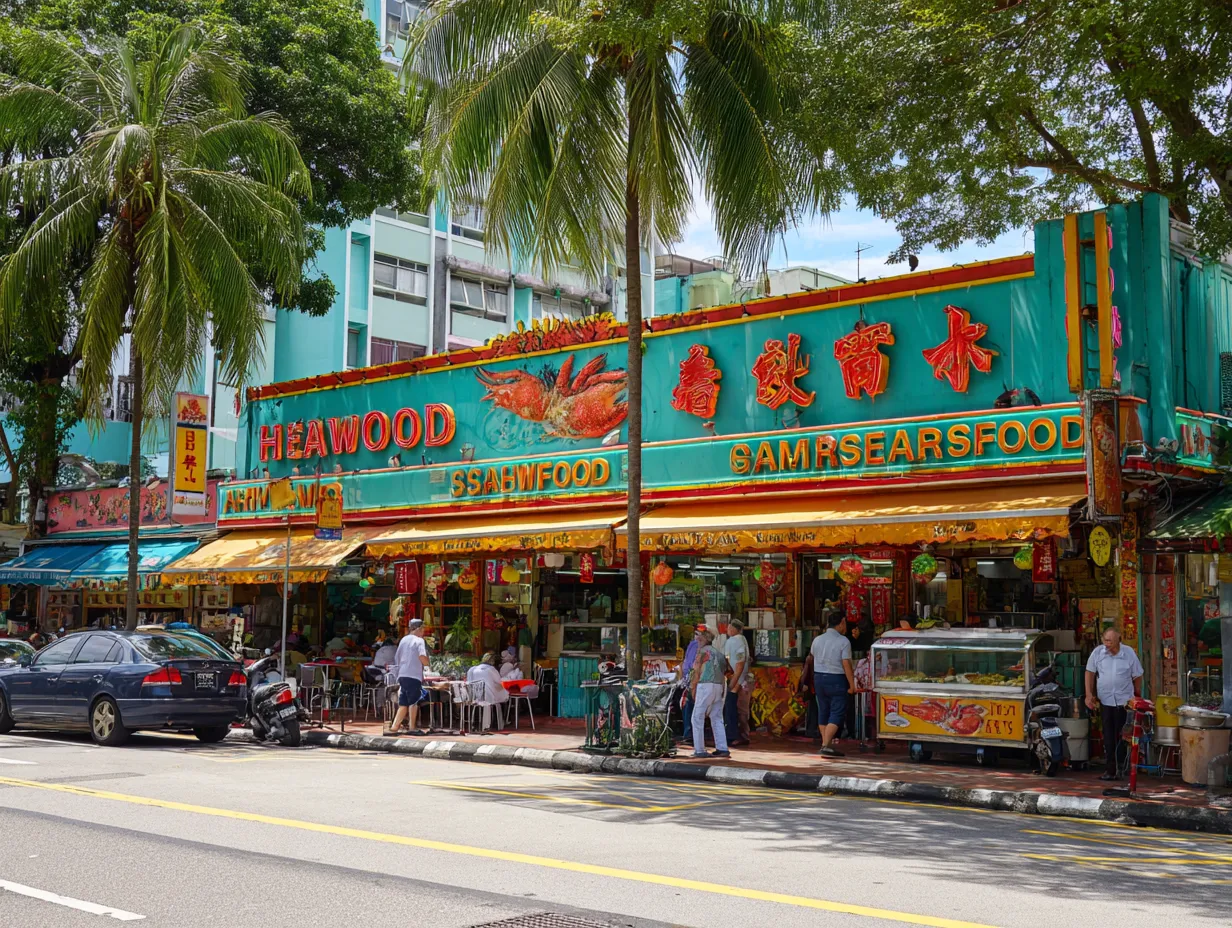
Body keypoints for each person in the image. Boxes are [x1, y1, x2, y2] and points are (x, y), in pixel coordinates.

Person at [1084, 628, 1144, 781]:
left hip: (1124, 702)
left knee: (1123, 736)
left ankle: (1122, 767)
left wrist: (1136, 694)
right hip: (1106, 701)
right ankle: (1110, 770)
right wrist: (1089, 694)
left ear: (1118, 640)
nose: (1107, 644)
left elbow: (1138, 675)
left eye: (1110, 641)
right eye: (1105, 640)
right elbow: (1089, 672)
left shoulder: (1128, 653)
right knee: (1108, 736)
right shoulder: (1098, 653)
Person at [811, 611, 855, 757]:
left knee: (823, 710)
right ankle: (825, 745)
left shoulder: (817, 640)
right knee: (837, 711)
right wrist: (852, 684)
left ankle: (827, 745)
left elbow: (812, 657)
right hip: (836, 678)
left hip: (819, 677)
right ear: (842, 622)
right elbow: (846, 664)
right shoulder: (843, 641)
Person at [689, 627, 730, 758]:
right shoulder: (719, 654)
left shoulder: (702, 652)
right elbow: (727, 671)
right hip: (719, 685)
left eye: (699, 636)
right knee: (717, 717)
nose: (697, 639)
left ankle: (700, 750)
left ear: (704, 638)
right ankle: (722, 748)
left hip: (705, 685)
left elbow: (696, 672)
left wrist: (693, 688)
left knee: (697, 717)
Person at [385, 619, 430, 736]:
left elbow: (397, 657)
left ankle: (394, 727)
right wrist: (427, 664)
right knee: (413, 702)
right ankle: (412, 727)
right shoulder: (419, 640)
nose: (423, 631)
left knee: (404, 703)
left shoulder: (403, 640)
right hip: (413, 675)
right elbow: (422, 656)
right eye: (423, 629)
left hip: (403, 674)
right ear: (418, 628)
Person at [723, 618, 751, 747]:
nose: (727, 630)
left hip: (737, 679)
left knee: (734, 708)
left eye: (729, 628)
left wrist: (734, 681)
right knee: (740, 709)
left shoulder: (735, 641)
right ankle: (741, 735)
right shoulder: (742, 640)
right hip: (741, 678)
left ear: (734, 629)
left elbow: (739, 663)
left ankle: (734, 736)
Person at [466, 651, 510, 730]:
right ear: (492, 661)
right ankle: (500, 721)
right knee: (506, 695)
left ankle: (476, 722)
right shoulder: (491, 669)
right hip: (488, 696)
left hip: (474, 696)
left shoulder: (472, 669)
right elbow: (499, 682)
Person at [678, 625, 705, 744]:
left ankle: (689, 734)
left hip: (695, 679)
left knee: (690, 704)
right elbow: (686, 661)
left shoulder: (702, 648)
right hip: (688, 678)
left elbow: (696, 666)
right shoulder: (693, 645)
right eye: (696, 634)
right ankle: (687, 732)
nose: (697, 637)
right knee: (685, 704)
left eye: (699, 634)